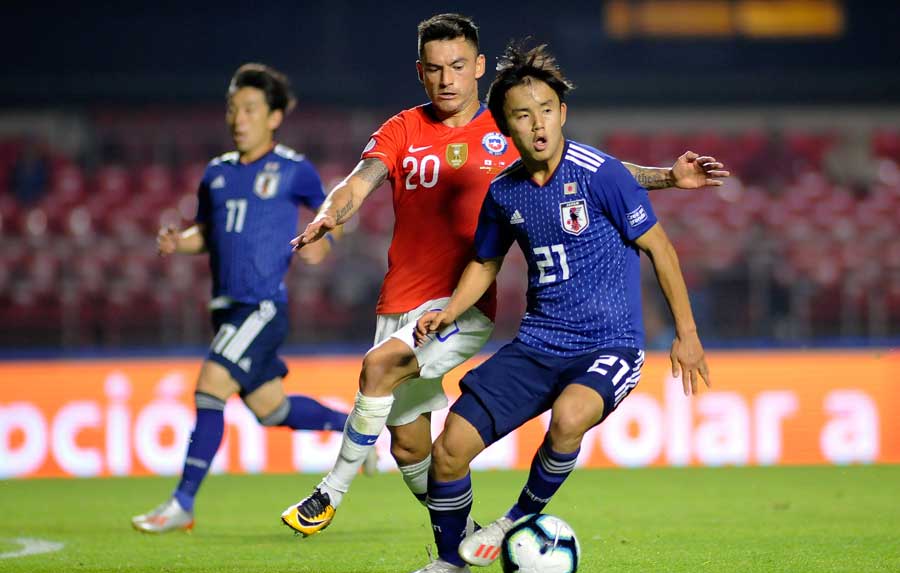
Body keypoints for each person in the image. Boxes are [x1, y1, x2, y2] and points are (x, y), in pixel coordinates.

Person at [280, 13, 726, 538]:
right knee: (411, 448)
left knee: (379, 369)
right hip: (401, 302)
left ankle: (329, 493)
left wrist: (667, 179)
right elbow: (358, 182)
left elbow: (593, 168)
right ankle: (465, 539)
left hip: (461, 304)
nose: (447, 79)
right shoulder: (404, 128)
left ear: (478, 69)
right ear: (420, 72)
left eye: (459, 66)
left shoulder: (510, 123)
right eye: (436, 68)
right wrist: (332, 211)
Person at [396, 41, 710, 573]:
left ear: (562, 112)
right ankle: (451, 562)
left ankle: (516, 519)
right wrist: (449, 311)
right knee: (449, 450)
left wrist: (687, 334)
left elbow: (660, 248)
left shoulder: (601, 174)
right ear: (504, 126)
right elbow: (485, 263)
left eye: (546, 110)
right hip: (538, 345)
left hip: (609, 343)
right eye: (523, 114)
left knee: (569, 418)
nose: (538, 123)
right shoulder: (503, 192)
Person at [132, 63, 362, 534]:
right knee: (271, 410)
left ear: (274, 117)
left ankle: (182, 504)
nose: (239, 119)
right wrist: (181, 242)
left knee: (209, 386)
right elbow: (208, 234)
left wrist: (323, 241)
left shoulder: (293, 169)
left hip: (262, 307)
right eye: (233, 109)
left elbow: (332, 213)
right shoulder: (216, 174)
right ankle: (354, 429)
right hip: (226, 311)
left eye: (250, 109)